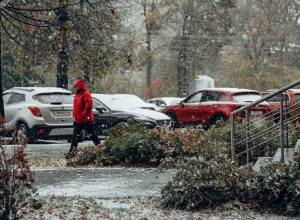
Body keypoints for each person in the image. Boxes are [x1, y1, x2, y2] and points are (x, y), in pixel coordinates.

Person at [66, 79, 100, 159]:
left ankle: (101, 149)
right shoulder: (77, 95)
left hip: (86, 121)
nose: (77, 88)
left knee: (93, 136)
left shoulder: (86, 94)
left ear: (81, 86)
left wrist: (83, 115)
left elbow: (88, 106)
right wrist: (74, 114)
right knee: (75, 137)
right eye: (76, 86)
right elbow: (75, 107)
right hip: (78, 120)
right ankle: (72, 152)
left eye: (78, 86)